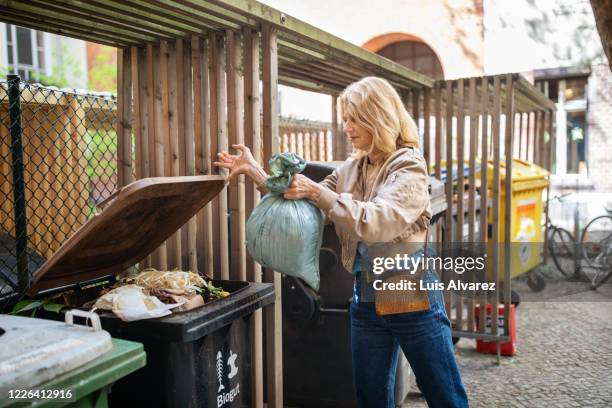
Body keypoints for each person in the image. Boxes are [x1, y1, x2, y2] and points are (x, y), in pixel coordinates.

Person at [214, 76, 469, 408]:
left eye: (353, 119)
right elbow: (305, 201)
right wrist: (256, 173)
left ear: (378, 116)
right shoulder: (353, 167)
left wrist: (319, 192)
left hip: (407, 292)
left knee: (444, 395)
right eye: (344, 120)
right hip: (364, 294)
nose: (346, 128)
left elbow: (377, 221)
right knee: (370, 398)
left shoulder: (408, 166)